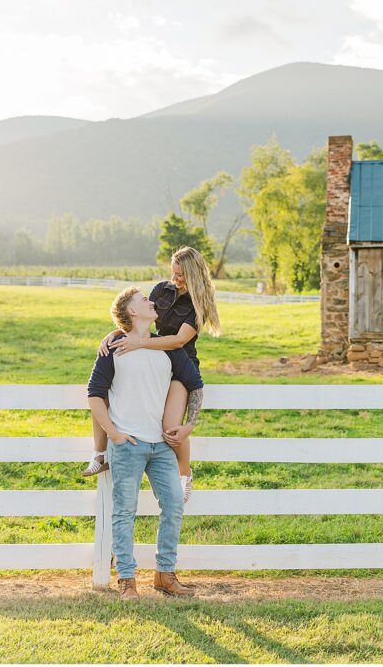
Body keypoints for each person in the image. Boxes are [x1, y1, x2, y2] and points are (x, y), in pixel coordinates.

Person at [87, 286, 204, 600]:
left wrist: (189, 425)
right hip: (128, 445)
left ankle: (165, 575)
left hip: (161, 445)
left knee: (174, 505)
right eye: (144, 301)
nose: (153, 302)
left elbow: (195, 386)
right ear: (132, 312)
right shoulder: (113, 347)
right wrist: (113, 434)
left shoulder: (166, 347)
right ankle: (126, 580)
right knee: (124, 513)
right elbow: (95, 395)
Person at [84, 246, 220, 504]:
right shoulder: (161, 290)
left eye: (180, 275)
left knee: (170, 428)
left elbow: (179, 340)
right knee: (104, 392)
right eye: (173, 272)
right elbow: (137, 316)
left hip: (179, 365)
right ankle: (99, 454)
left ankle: (185, 474)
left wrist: (140, 344)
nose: (175, 279)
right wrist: (113, 334)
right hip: (152, 357)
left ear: (193, 275)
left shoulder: (199, 303)